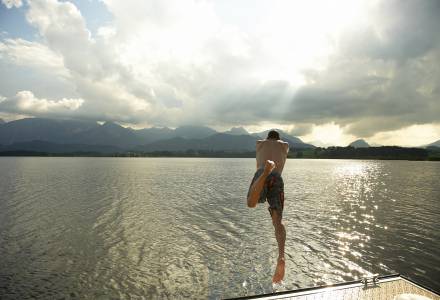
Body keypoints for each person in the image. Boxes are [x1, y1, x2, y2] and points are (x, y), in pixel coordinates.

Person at [247, 130, 289, 284]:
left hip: (262, 173)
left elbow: (261, 144)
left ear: (267, 138)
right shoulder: (285, 145)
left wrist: (264, 172)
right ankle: (281, 255)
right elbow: (283, 146)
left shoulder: (260, 143)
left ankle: (265, 172)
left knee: (251, 204)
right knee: (277, 221)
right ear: (279, 138)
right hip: (277, 177)